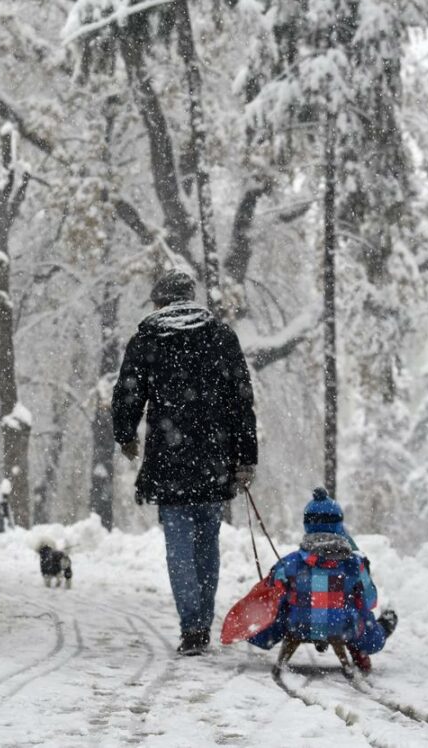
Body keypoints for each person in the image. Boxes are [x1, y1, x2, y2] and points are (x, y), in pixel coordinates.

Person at [112, 269, 258, 656]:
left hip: (169, 457)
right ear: (191, 298)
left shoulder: (148, 339)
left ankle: (192, 625)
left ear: (161, 301)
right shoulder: (221, 337)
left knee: (178, 544)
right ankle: (201, 620)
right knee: (207, 540)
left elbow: (128, 391)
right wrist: (245, 456)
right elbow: (241, 399)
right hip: (213, 455)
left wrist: (125, 434)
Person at [246, 488, 398, 675]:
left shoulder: (291, 562)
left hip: (298, 626)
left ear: (307, 524)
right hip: (341, 628)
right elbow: (370, 600)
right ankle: (370, 640)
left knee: (284, 601)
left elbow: (271, 588)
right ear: (339, 524)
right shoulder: (353, 564)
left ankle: (265, 636)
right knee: (357, 610)